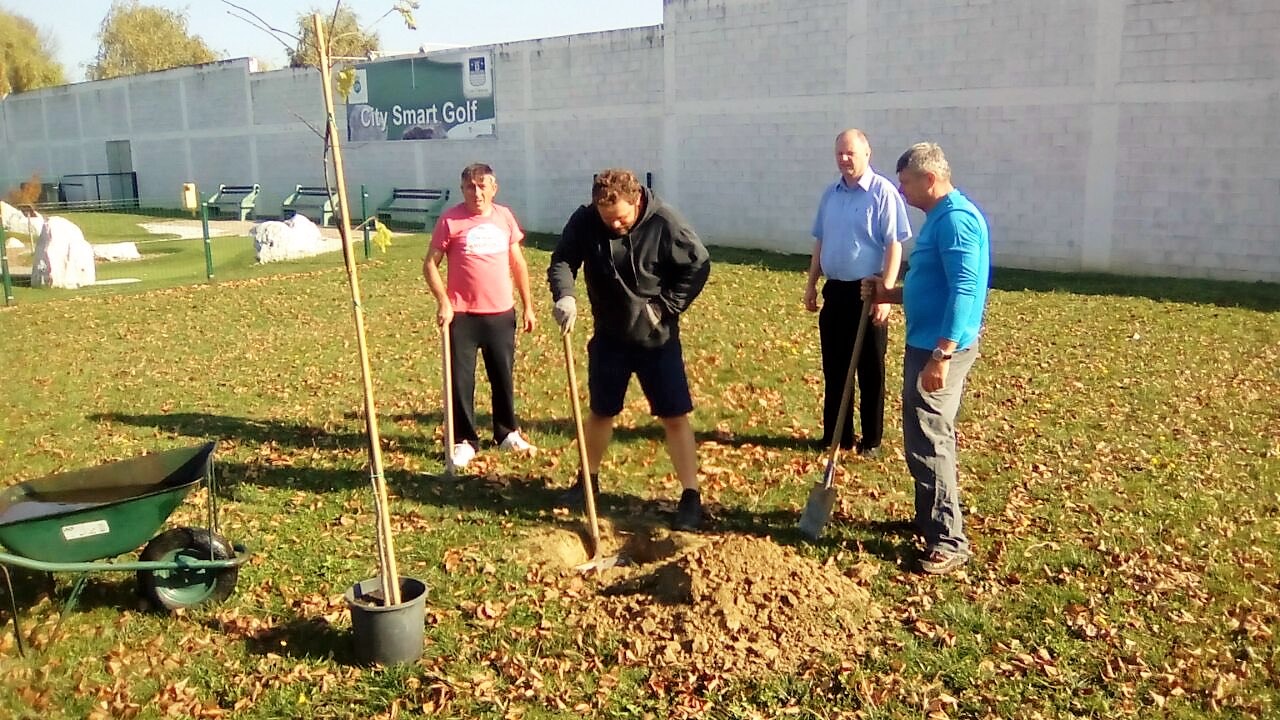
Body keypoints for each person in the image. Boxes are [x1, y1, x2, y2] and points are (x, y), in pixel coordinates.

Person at [547, 168, 711, 531]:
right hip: (610, 338)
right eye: (607, 219)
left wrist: (666, 307)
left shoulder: (665, 223)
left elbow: (698, 263)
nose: (614, 226)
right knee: (601, 412)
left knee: (674, 416)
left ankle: (690, 496)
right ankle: (586, 481)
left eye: (620, 218)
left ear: (636, 201)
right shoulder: (586, 221)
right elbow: (562, 260)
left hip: (658, 341)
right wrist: (566, 296)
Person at [862, 142, 990, 575]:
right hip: (927, 343)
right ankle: (929, 517)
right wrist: (889, 294)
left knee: (931, 436)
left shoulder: (956, 222)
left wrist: (942, 354)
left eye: (906, 182)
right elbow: (932, 285)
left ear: (929, 180)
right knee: (921, 435)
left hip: (941, 349)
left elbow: (966, 291)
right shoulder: (940, 219)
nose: (900, 191)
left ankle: (949, 539)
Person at [423, 163, 537, 469]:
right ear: (462, 190)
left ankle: (507, 433)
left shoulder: (504, 218)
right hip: (461, 315)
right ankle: (464, 441)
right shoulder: (450, 220)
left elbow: (518, 263)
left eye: (482, 186)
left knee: (503, 375)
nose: (477, 192)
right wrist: (443, 301)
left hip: (500, 312)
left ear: (493, 188)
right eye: (470, 187)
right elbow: (430, 265)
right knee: (461, 380)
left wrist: (528, 305)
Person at [805, 129, 909, 456]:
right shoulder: (831, 194)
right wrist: (811, 283)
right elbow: (820, 241)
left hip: (868, 293)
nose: (844, 159)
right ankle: (838, 436)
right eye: (839, 154)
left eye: (850, 153)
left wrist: (886, 294)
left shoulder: (883, 193)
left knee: (870, 371)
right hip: (835, 291)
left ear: (867, 154)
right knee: (835, 368)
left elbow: (895, 245)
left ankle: (872, 440)